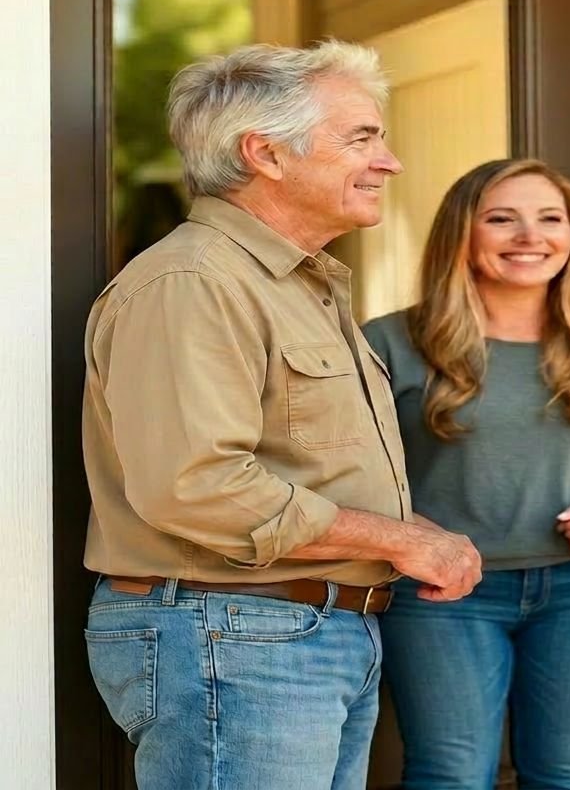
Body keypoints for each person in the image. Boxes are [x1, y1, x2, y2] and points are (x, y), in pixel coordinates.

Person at [81, 40, 483, 790]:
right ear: (264, 152)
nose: (389, 161)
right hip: (235, 636)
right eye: (361, 137)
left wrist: (414, 536)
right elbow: (197, 486)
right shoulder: (193, 282)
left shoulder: (299, 284)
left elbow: (302, 470)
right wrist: (398, 538)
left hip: (293, 635)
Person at [362, 157, 570, 790]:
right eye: (501, 219)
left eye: (550, 219)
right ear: (462, 232)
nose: (529, 237)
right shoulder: (390, 341)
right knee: (451, 775)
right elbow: (355, 478)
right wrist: (419, 538)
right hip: (442, 591)